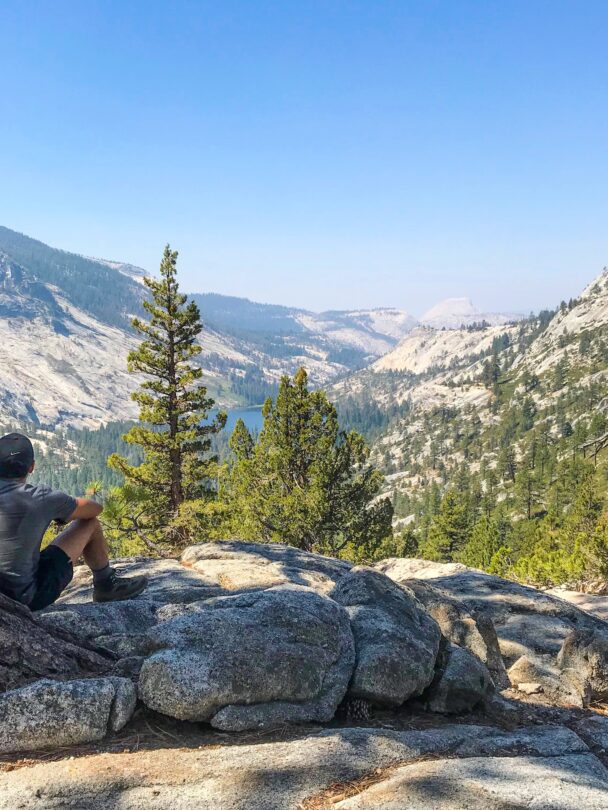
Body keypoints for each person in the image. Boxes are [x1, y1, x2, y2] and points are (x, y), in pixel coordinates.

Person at [0, 432, 147, 610]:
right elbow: (95, 509)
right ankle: (106, 584)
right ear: (32, 467)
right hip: (26, 598)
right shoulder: (42, 497)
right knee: (90, 524)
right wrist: (63, 512)